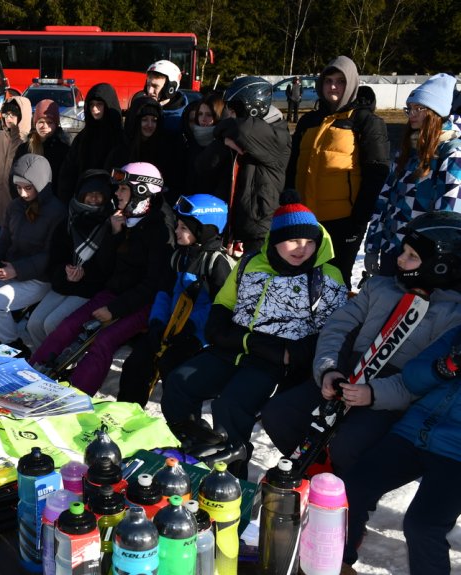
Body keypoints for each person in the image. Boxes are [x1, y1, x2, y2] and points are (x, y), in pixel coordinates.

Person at [160, 191, 348, 479]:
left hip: (274, 358)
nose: (302, 249)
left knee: (231, 406)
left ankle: (232, 477)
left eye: (310, 241)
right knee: (179, 384)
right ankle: (199, 446)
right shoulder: (250, 263)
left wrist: (294, 354)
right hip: (233, 345)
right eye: (293, 240)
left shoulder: (326, 277)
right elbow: (225, 300)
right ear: (274, 240)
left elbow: (336, 329)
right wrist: (218, 325)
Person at [262, 210, 461, 480]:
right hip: (346, 372)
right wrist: (329, 369)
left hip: (391, 394)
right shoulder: (381, 287)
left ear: (441, 264)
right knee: (279, 414)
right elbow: (339, 327)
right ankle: (315, 469)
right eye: (403, 251)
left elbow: (428, 376)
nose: (400, 260)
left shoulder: (452, 315)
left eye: (412, 256)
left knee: (348, 445)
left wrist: (374, 394)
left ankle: (345, 487)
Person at [30, 162, 171, 396]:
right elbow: (109, 268)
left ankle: (74, 397)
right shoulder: (125, 219)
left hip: (144, 302)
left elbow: (153, 283)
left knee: (103, 341)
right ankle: (29, 377)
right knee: (68, 326)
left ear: (142, 191)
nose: (116, 194)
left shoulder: (160, 229)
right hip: (115, 293)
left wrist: (114, 309)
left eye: (123, 189)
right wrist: (115, 235)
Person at [342, 323, 461, 575]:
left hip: (456, 453)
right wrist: (445, 367)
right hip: (413, 431)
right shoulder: (457, 333)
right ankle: (338, 564)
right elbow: (412, 377)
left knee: (423, 525)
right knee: (353, 488)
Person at [117, 194, 233, 407]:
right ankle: (127, 413)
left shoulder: (217, 264)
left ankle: (182, 422)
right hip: (171, 328)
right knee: (137, 362)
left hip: (197, 335)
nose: (177, 232)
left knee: (174, 367)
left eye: (184, 228)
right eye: (177, 226)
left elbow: (219, 307)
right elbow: (164, 292)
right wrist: (157, 322)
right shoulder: (179, 256)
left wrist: (190, 329)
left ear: (204, 229)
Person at [287, 56, 391, 288]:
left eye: (340, 81)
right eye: (328, 80)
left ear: (352, 84)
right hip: (305, 218)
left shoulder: (366, 122)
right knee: (300, 282)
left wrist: (358, 219)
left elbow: (376, 175)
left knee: (334, 283)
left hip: (343, 221)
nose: (333, 86)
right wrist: (288, 202)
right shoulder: (308, 121)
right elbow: (293, 166)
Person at [364, 73, 461, 278]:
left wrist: (431, 259)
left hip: (422, 259)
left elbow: (447, 217)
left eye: (419, 108)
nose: (412, 114)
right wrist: (373, 246)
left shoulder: (451, 154)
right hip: (393, 251)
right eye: (410, 108)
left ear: (436, 112)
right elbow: (384, 200)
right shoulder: (408, 150)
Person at [0, 154, 66, 354]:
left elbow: (52, 254)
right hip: (11, 271)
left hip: (39, 277)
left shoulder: (57, 211)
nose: (22, 193)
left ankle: (14, 347)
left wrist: (17, 270)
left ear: (40, 184)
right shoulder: (15, 206)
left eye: (28, 188)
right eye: (18, 187)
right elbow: (4, 239)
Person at [194, 76, 291, 255]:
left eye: (234, 108)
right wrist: (223, 141)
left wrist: (223, 131)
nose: (229, 113)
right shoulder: (233, 136)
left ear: (253, 107)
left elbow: (242, 129)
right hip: (231, 222)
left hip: (258, 225)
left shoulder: (277, 134)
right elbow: (203, 166)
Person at [24, 170, 115, 350]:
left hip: (90, 287)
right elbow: (55, 257)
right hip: (64, 282)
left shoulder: (110, 223)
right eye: (90, 194)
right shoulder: (68, 220)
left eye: (99, 194)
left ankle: (59, 361)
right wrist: (65, 272)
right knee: (34, 323)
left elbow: (109, 265)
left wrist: (85, 274)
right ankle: (43, 358)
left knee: (52, 324)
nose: (94, 199)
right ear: (81, 195)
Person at [58, 83, 125, 200]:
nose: (94, 109)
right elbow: (69, 170)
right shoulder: (83, 137)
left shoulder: (120, 137)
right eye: (91, 105)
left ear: (108, 105)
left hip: (112, 199)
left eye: (99, 104)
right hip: (84, 199)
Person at [0, 96, 32, 240]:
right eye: (6, 114)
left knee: (17, 251)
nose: (9, 118)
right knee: (0, 250)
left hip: (20, 208)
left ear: (23, 115)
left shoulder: (28, 142)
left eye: (13, 114)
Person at [105, 95, 175, 192]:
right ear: (135, 121)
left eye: (154, 120)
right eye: (144, 119)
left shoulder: (165, 149)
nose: (150, 125)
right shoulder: (120, 150)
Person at [15, 99, 71, 203]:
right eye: (41, 122)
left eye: (49, 122)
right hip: (27, 203)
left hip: (54, 205)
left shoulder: (64, 150)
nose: (44, 126)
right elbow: (14, 177)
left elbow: (66, 182)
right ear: (35, 123)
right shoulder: (24, 149)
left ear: (56, 124)